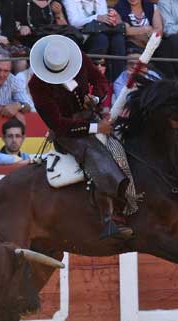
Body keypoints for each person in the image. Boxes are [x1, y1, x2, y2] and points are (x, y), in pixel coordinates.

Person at [28, 35, 133, 240]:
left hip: (91, 115)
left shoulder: (78, 57)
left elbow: (101, 81)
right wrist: (96, 128)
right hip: (68, 131)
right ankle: (108, 218)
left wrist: (95, 97)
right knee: (95, 155)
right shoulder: (37, 86)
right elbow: (58, 124)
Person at [61, 0, 125, 81]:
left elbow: (104, 22)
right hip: (82, 37)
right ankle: (92, 80)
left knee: (118, 39)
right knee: (101, 39)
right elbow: (74, 23)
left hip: (101, 33)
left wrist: (111, 18)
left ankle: (117, 82)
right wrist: (96, 17)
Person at [114, 0, 176, 79]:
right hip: (132, 47)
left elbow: (159, 30)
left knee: (167, 49)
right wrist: (147, 29)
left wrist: (135, 32)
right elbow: (125, 30)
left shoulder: (151, 7)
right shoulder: (118, 8)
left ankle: (174, 82)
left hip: (152, 45)